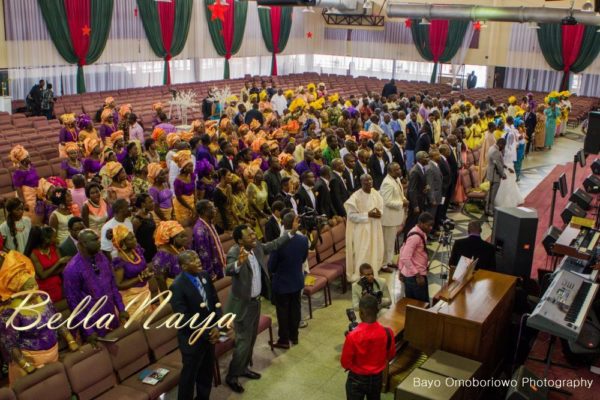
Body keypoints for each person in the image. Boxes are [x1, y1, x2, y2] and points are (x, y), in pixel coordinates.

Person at [224, 220, 298, 393]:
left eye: (252, 232)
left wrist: (291, 232)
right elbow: (228, 270)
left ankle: (243, 368)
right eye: (249, 235)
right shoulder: (235, 252)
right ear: (240, 241)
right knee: (242, 342)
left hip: (256, 302)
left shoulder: (256, 247)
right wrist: (239, 263)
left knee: (251, 339)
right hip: (243, 305)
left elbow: (274, 244)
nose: (254, 235)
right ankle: (232, 376)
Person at [0, 250, 78, 385]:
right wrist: (25, 366)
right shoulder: (11, 312)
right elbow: (10, 343)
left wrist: (70, 340)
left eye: (35, 283)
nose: (35, 288)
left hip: (53, 354)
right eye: (29, 286)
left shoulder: (42, 298)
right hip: (30, 362)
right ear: (19, 289)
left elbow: (56, 320)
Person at [170, 250, 223, 400]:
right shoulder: (177, 286)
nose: (198, 261)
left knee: (206, 373)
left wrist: (217, 326)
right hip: (192, 339)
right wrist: (208, 331)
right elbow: (184, 318)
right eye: (193, 260)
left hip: (210, 335)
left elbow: (215, 301)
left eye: (198, 258)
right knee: (189, 378)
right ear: (184, 266)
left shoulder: (204, 275)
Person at [63, 229, 129, 342]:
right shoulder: (72, 269)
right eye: (94, 240)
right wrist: (88, 331)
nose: (99, 242)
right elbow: (74, 304)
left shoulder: (102, 257)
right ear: (83, 244)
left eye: (98, 239)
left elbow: (112, 285)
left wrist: (121, 309)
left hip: (111, 315)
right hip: (92, 323)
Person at [341, 294, 395, 400]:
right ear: (378, 310)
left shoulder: (352, 336)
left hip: (357, 379)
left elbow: (345, 362)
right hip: (377, 378)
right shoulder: (388, 332)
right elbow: (391, 355)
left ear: (360, 313)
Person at [268, 212, 309, 349]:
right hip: (297, 280)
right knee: (295, 309)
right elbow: (303, 259)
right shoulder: (303, 240)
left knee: (283, 312)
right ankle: (294, 336)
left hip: (282, 283)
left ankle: (284, 340)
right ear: (294, 224)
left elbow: (271, 267)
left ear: (283, 224)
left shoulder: (278, 243)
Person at [344, 174, 384, 282]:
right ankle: (361, 277)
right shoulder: (355, 197)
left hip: (375, 227)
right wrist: (368, 215)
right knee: (363, 252)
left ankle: (372, 274)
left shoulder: (375, 193)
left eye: (370, 180)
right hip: (362, 230)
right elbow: (351, 216)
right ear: (361, 183)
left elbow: (381, 207)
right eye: (366, 181)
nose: (369, 182)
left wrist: (380, 213)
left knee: (374, 250)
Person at [111, 225, 154, 320]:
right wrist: (139, 278)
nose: (135, 240)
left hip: (144, 291)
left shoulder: (137, 250)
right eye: (131, 239)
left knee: (148, 319)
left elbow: (143, 266)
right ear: (123, 243)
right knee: (137, 322)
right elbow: (118, 284)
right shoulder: (119, 259)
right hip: (131, 297)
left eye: (134, 237)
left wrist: (147, 272)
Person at [25, 226, 70, 304]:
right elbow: (42, 275)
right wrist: (58, 262)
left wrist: (47, 273)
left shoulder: (54, 248)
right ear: (46, 239)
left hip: (58, 283)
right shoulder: (34, 254)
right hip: (44, 287)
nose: (57, 239)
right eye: (54, 237)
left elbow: (63, 268)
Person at [398, 212, 434, 304]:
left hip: (418, 272)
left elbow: (403, 249)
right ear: (421, 223)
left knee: (419, 304)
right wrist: (417, 275)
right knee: (419, 305)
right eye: (428, 225)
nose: (431, 228)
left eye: (431, 225)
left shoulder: (421, 233)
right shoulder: (415, 237)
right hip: (414, 277)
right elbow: (405, 257)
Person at [380, 162, 408, 272]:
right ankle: (383, 265)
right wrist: (402, 204)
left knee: (391, 242)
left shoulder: (395, 179)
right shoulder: (387, 183)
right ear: (390, 171)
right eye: (397, 169)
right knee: (387, 242)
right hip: (388, 218)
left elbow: (399, 194)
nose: (400, 170)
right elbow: (387, 202)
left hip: (394, 217)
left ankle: (389, 260)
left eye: (399, 168)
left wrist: (404, 198)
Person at [192, 200, 226, 281]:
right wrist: (210, 274)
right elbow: (203, 254)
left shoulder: (209, 223)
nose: (215, 209)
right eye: (212, 208)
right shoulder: (200, 230)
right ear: (204, 211)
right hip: (211, 272)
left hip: (218, 264)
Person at [152, 220, 188, 290]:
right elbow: (160, 279)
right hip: (173, 290)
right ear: (171, 238)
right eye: (182, 237)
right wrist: (167, 299)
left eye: (185, 236)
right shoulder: (162, 255)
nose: (185, 239)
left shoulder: (179, 247)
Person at [405, 151, 429, 238]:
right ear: (420, 159)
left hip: (421, 199)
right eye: (426, 157)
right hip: (415, 203)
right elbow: (412, 190)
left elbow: (418, 186)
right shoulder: (415, 171)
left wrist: (424, 189)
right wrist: (415, 206)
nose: (428, 159)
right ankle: (407, 240)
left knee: (416, 223)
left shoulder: (422, 168)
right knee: (411, 224)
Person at [172, 150, 197, 227]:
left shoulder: (192, 175)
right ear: (184, 168)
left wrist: (195, 201)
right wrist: (190, 207)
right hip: (182, 205)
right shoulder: (178, 181)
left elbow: (194, 188)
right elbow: (179, 197)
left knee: (194, 221)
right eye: (190, 166)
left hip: (191, 202)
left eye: (192, 165)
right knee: (186, 225)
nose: (192, 168)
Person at [132, 193, 158, 262]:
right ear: (143, 204)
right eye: (150, 202)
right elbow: (133, 236)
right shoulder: (137, 220)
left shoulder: (150, 215)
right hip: (144, 250)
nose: (153, 203)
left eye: (153, 201)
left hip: (153, 247)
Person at [485, 138, 507, 216]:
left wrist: (505, 166)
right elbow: (498, 166)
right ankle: (489, 210)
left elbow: (497, 161)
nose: (504, 148)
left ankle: (487, 208)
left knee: (489, 193)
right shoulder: (496, 151)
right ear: (501, 144)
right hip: (495, 176)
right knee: (492, 194)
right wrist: (503, 174)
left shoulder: (492, 147)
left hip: (490, 173)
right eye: (504, 146)